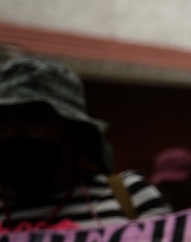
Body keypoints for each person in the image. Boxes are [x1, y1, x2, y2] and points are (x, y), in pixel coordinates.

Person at [0, 57, 170, 231]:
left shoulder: (131, 196)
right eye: (2, 121)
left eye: (33, 120)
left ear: (75, 132)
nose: (11, 133)